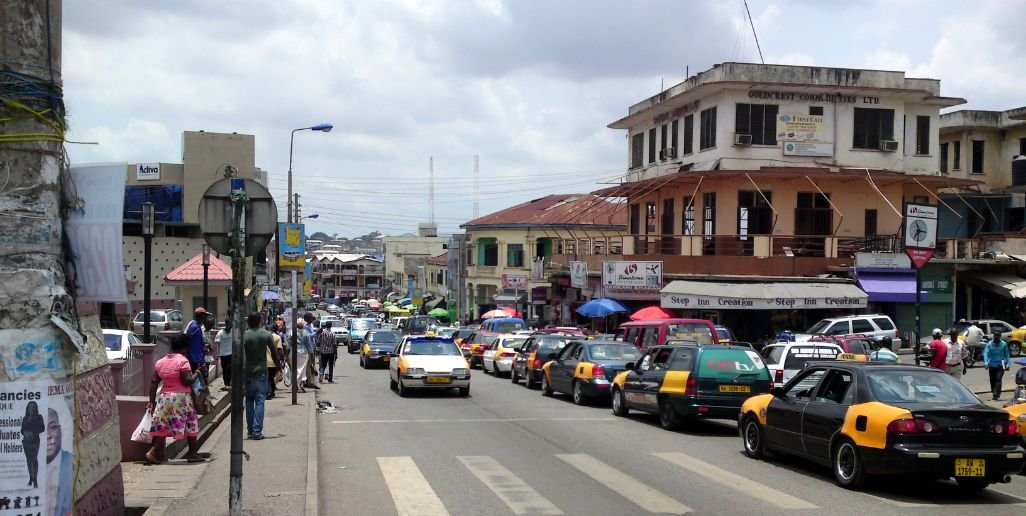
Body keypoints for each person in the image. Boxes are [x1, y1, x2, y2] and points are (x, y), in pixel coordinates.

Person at [146, 334, 203, 464]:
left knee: (164, 425)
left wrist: (151, 400)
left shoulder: (161, 362)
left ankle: (153, 451)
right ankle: (193, 454)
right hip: (182, 398)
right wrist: (197, 373)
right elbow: (187, 380)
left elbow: (154, 381)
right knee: (190, 424)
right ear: (184, 348)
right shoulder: (183, 361)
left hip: (165, 397)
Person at [243, 313, 282, 439]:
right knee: (260, 401)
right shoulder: (266, 334)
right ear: (260, 321)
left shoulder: (244, 335)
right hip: (261, 372)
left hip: (247, 372)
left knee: (249, 400)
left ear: (248, 321)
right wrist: (279, 367)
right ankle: (256, 431)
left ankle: (250, 430)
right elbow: (274, 353)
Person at [45, 408, 73, 516]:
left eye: (53, 427)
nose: (48, 435)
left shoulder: (71, 464)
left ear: (61, 431)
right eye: (41, 429)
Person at [20, 401, 43, 488]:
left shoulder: (39, 417)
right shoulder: (25, 418)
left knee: (34, 460)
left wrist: (33, 432)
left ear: (36, 408)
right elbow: (22, 430)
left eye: (34, 407)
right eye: (30, 407)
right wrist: (25, 433)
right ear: (28, 408)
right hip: (26, 442)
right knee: (29, 460)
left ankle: (36, 480)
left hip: (35, 442)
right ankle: (30, 479)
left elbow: (42, 428)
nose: (32, 408)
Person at [983, 331, 1012, 401]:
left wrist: (1008, 364)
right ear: (993, 336)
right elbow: (986, 354)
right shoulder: (989, 344)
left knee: (998, 379)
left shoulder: (1004, 344)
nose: (996, 337)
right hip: (992, 364)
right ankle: (994, 392)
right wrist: (986, 363)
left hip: (1001, 365)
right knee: (992, 380)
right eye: (995, 336)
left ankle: (996, 393)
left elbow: (1007, 355)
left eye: (998, 336)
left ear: (1000, 336)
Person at [266, 323, 285, 400]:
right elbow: (280, 350)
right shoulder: (277, 337)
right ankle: (270, 391)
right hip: (274, 361)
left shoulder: (264, 337)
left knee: (269, 377)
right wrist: (282, 360)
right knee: (271, 377)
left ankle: (270, 391)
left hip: (264, 361)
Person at [294, 318, 311, 393]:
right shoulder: (306, 333)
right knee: (303, 369)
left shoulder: (292, 332)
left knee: (295, 369)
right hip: (304, 353)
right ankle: (302, 383)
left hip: (295, 353)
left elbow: (289, 343)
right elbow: (309, 344)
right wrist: (311, 353)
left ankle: (296, 385)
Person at [216, 319, 232, 391]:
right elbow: (216, 343)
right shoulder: (220, 333)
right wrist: (217, 353)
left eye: (230, 325)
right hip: (223, 354)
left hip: (231, 354)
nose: (229, 326)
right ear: (226, 325)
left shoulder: (233, 332)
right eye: (228, 325)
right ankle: (226, 384)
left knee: (230, 369)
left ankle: (230, 383)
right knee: (225, 370)